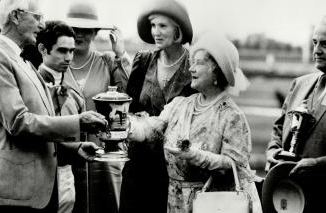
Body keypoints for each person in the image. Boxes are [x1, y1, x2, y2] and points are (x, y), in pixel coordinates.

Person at [124, 32, 262, 213]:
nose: (191, 69)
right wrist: (129, 127)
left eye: (199, 63)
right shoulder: (181, 104)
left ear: (217, 71)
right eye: (192, 62)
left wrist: (194, 155)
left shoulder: (231, 115)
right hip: (176, 201)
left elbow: (234, 164)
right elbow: (154, 127)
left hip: (213, 203)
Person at [0, 0, 107, 212]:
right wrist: (78, 122)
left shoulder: (22, 60)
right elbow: (19, 122)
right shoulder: (2, 58)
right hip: (18, 194)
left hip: (40, 192)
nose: (42, 25)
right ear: (15, 16)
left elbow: (36, 132)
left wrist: (73, 149)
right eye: (37, 17)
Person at [119, 0, 196, 212]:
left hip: (176, 169)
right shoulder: (143, 61)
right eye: (153, 26)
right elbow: (128, 109)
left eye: (163, 26)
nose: (156, 32)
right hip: (138, 165)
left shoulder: (195, 67)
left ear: (178, 30)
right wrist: (138, 123)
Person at [63, 1, 131, 213]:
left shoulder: (108, 61)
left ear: (95, 33)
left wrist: (121, 54)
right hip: (67, 152)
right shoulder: (58, 62)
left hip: (104, 153)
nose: (79, 35)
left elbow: (128, 95)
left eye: (85, 30)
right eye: (74, 30)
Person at [265, 15, 326, 212]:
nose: (316, 50)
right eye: (315, 42)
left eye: (325, 44)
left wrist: (317, 164)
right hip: (286, 196)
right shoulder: (300, 84)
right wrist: (273, 151)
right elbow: (279, 127)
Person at [36, 20, 85, 213]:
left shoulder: (74, 95)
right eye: (62, 50)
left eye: (72, 51)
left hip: (68, 176)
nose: (69, 57)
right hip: (39, 176)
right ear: (43, 49)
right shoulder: (30, 88)